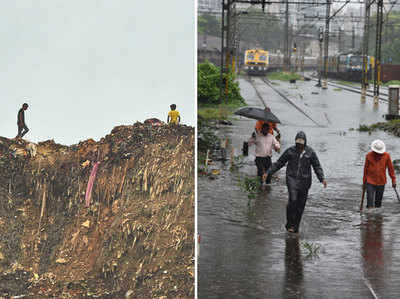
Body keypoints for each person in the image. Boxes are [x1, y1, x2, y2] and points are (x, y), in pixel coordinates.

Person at [266, 131, 327, 233]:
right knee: (293, 200)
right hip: (292, 179)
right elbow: (279, 163)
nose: (299, 145)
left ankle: (296, 227)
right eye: (297, 143)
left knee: (300, 206)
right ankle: (289, 223)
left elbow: (317, 166)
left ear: (305, 142)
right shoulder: (290, 151)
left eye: (301, 143)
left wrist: (322, 179)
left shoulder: (310, 153)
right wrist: (268, 172)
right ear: (295, 142)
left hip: (305, 182)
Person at [362, 139, 396, 209]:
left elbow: (391, 169)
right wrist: (364, 182)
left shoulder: (386, 156)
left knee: (378, 205)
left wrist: (393, 180)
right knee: (370, 202)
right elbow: (365, 170)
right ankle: (369, 218)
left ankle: (377, 219)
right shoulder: (368, 156)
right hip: (370, 182)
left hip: (381, 182)